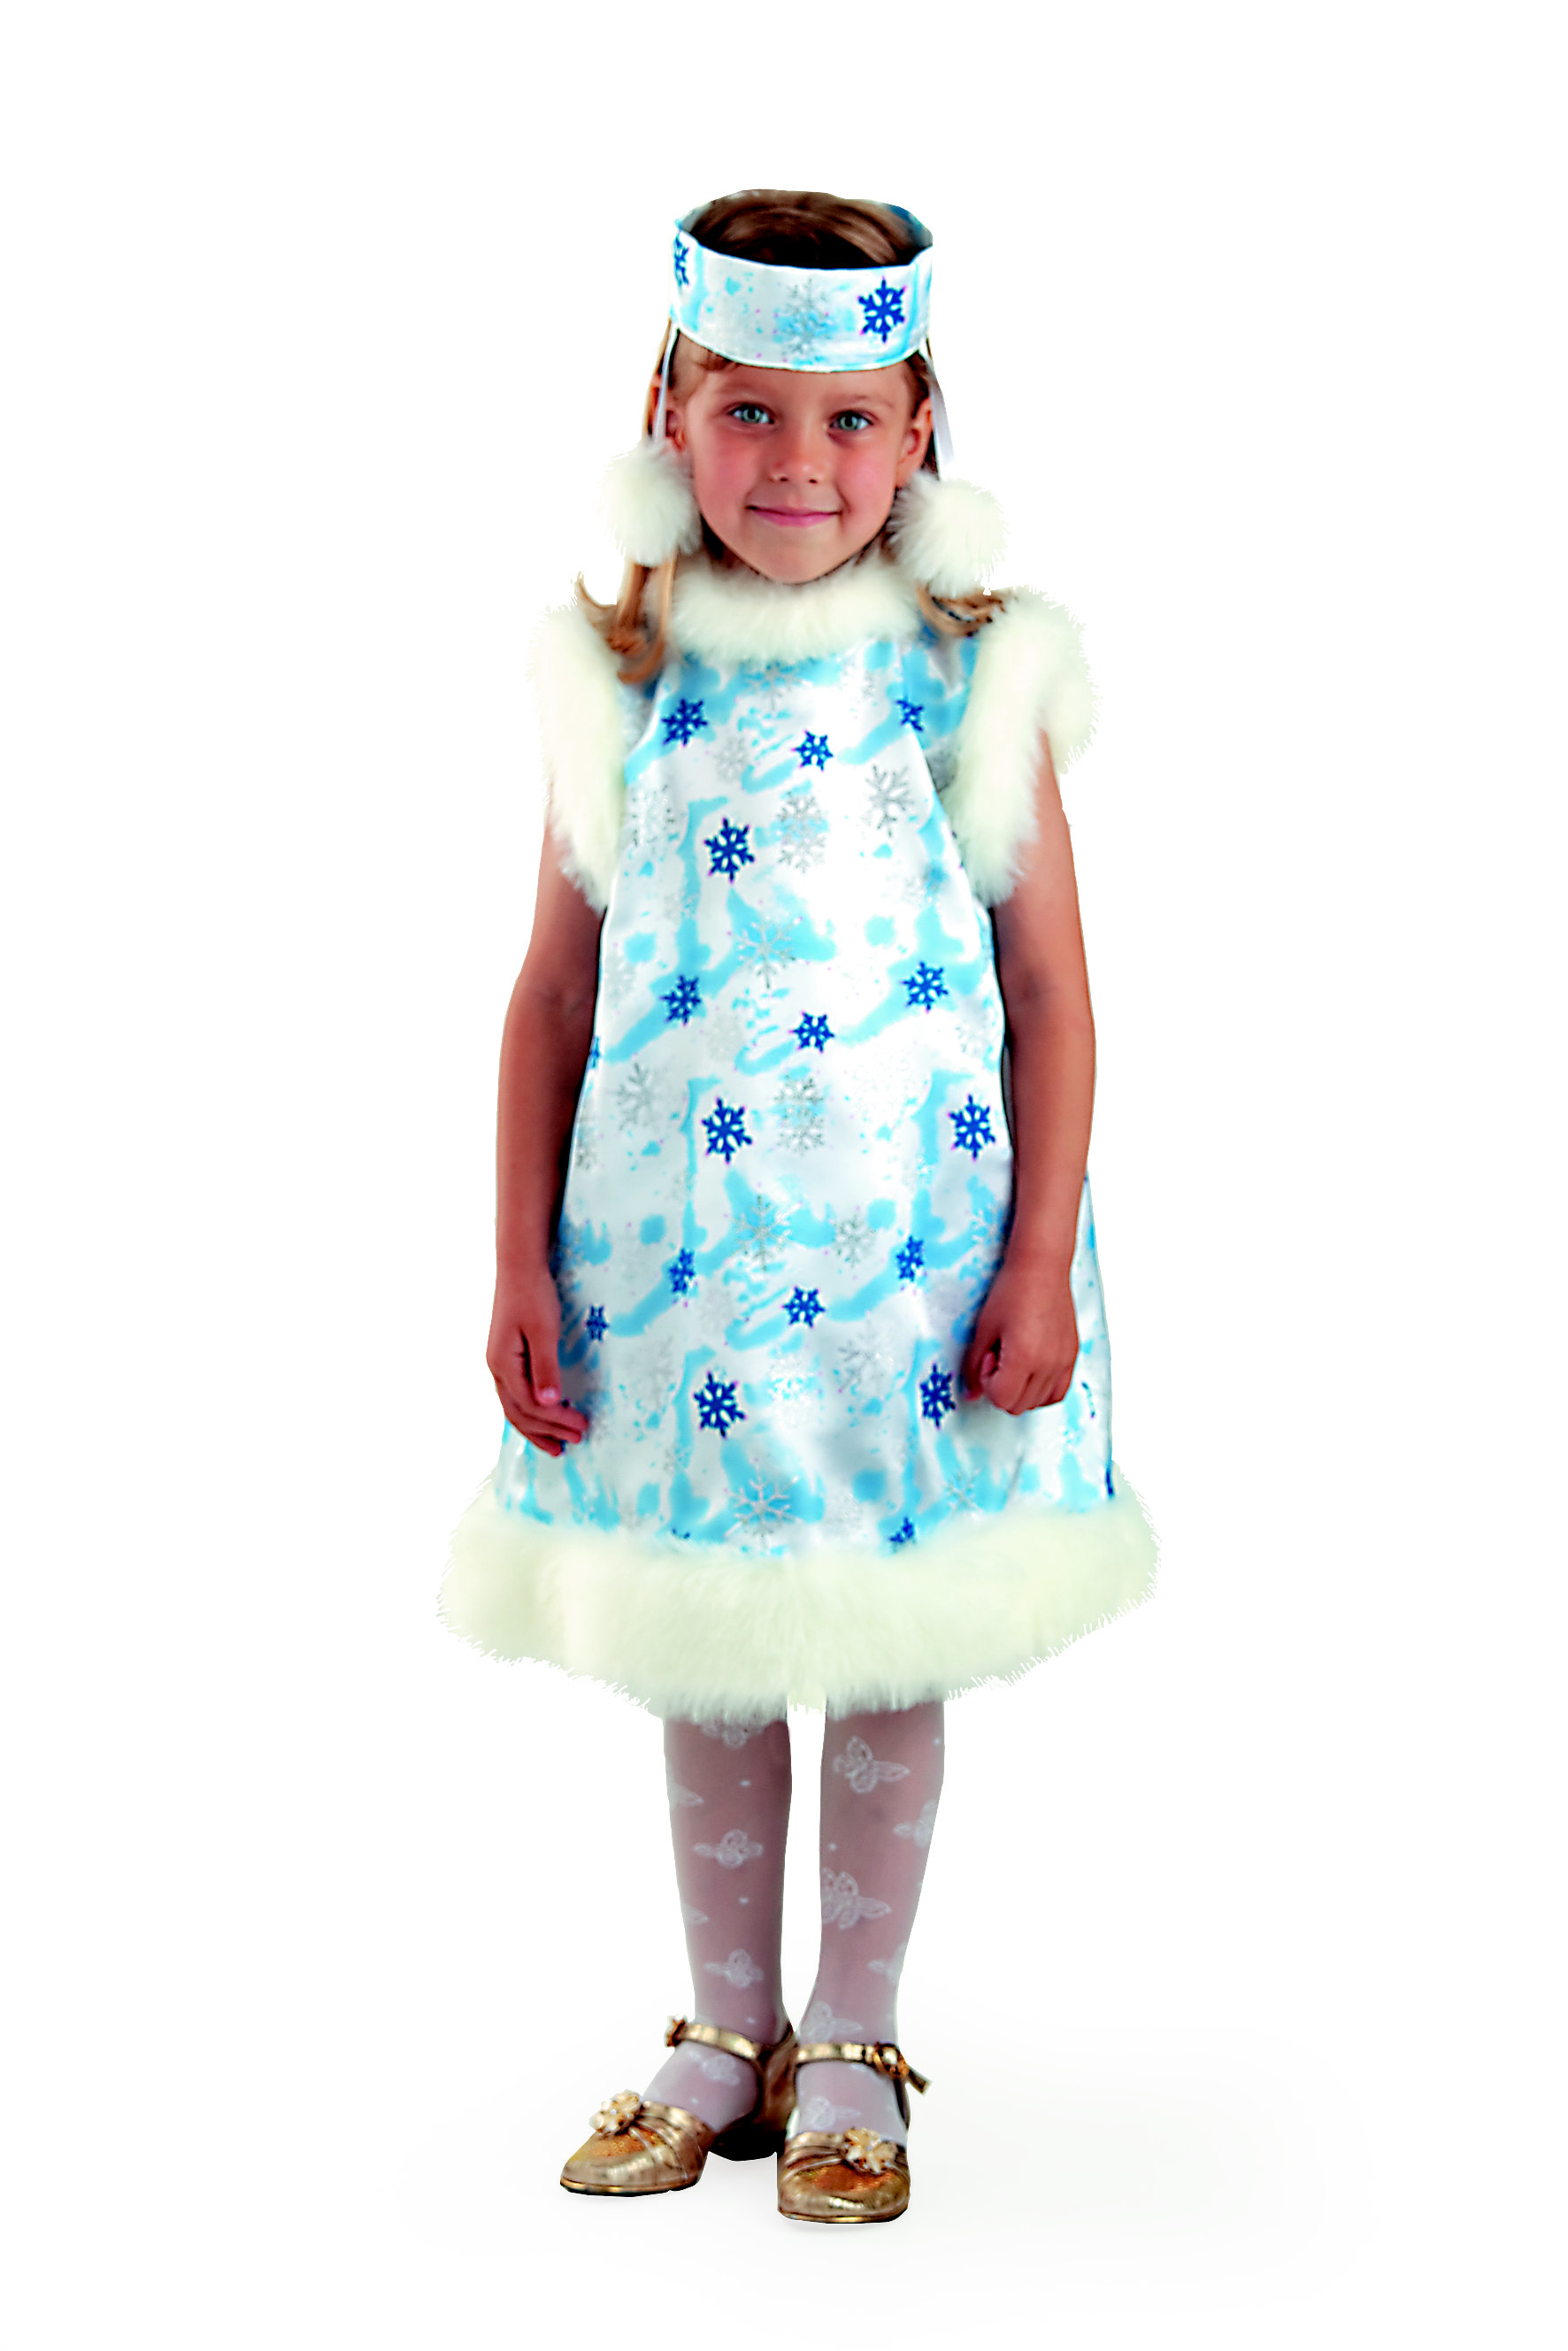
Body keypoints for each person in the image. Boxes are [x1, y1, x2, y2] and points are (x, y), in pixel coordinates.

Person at [441, 189, 1157, 2224]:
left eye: (848, 420)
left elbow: (1047, 990)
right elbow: (553, 993)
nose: (796, 463)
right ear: (667, 412)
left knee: (885, 1626)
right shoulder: (620, 674)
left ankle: (854, 2030)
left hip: (912, 1269)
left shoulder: (966, 675)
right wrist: (516, 1256)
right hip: (668, 1275)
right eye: (746, 411)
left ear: (916, 431)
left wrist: (1038, 1258)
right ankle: (722, 2023)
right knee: (714, 1631)